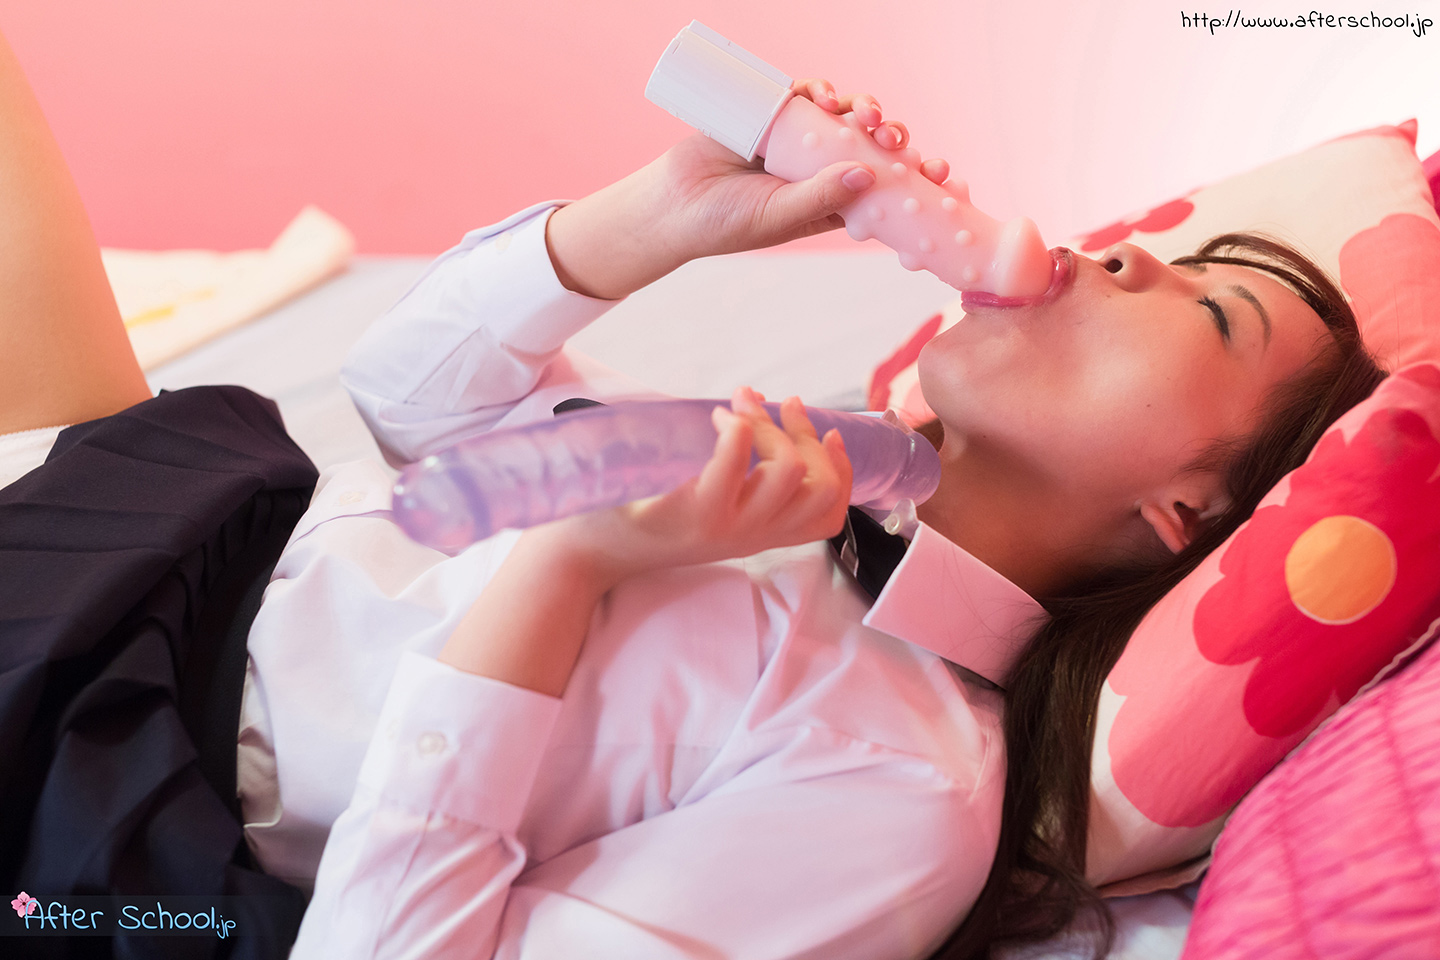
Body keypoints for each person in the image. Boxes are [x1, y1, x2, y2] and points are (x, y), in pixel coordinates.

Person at [0, 26, 1386, 959]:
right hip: (169, 538)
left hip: (98, 770)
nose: (1132, 257)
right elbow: (413, 410)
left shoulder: (903, 792)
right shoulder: (817, 464)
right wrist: (660, 220)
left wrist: (566, 569)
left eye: (1214, 312)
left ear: (1187, 516)